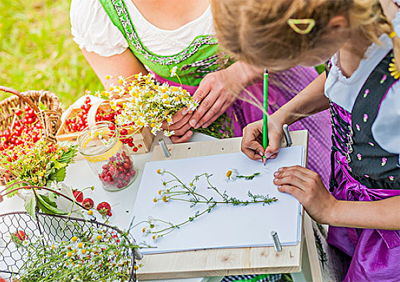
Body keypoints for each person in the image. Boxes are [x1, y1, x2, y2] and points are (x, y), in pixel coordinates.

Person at [213, 0, 400, 280]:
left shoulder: (394, 96)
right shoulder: (352, 20)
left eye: (299, 59)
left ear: (334, 27)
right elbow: (338, 81)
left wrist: (334, 210)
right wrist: (281, 116)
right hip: (356, 195)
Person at [70, 0, 331, 188]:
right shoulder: (97, 9)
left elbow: (306, 21)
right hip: (196, 128)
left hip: (274, 90)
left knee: (312, 191)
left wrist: (240, 72)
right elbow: (131, 92)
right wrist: (162, 115)